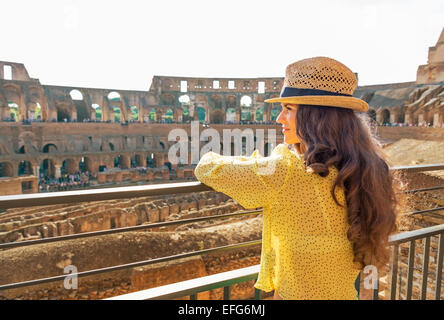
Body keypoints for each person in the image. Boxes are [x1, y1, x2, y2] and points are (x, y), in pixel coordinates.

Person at [194, 57, 398, 300]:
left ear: (315, 117)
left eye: (288, 109)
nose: (279, 118)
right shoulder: (368, 167)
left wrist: (251, 162)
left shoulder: (285, 170)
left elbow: (207, 168)